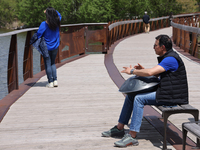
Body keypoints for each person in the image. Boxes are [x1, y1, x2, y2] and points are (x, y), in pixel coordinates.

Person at [102, 34, 188, 147]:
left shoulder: (171, 59)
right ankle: (119, 128)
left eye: (155, 45)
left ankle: (132, 136)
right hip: (167, 92)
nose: (153, 47)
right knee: (131, 95)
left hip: (172, 96)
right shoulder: (168, 56)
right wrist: (143, 70)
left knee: (139, 99)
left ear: (162, 47)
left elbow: (150, 73)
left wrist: (132, 71)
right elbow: (154, 73)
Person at [37, 7, 62, 88]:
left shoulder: (43, 24)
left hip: (46, 47)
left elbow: (38, 35)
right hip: (55, 46)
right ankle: (55, 81)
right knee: (52, 63)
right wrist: (52, 11)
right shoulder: (57, 22)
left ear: (47, 15)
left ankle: (50, 82)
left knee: (47, 64)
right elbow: (59, 14)